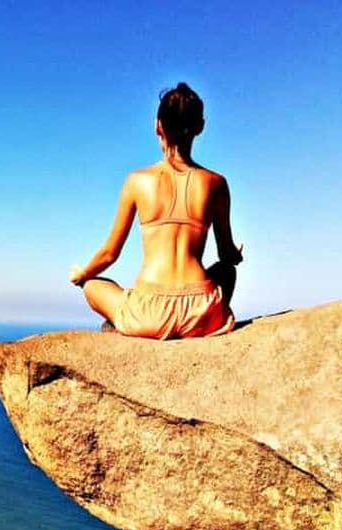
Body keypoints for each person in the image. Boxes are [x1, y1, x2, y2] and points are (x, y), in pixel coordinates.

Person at [69, 82, 243, 340]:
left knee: (93, 286)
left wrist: (82, 275)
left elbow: (109, 254)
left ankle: (122, 323)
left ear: (157, 125)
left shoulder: (137, 181)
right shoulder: (216, 183)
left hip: (148, 313)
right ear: (200, 126)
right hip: (201, 312)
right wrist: (235, 256)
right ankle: (193, 326)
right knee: (227, 272)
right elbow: (225, 254)